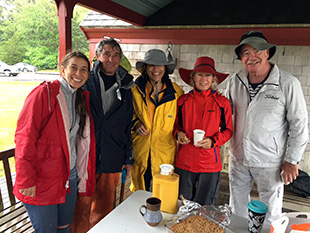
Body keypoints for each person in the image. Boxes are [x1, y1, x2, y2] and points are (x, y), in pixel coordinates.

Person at [225, 31, 308, 225]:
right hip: (239, 158)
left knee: (271, 212)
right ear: (241, 58)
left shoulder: (288, 83)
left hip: (270, 162)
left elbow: (299, 124)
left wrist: (292, 160)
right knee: (237, 209)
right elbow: (223, 115)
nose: (251, 56)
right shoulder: (234, 82)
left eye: (256, 51)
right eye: (245, 52)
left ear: (267, 53)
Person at [13, 51, 96, 233]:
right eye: (73, 67)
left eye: (83, 70)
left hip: (69, 176)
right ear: (63, 69)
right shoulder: (45, 93)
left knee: (64, 228)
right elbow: (24, 137)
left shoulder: (79, 98)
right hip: (43, 179)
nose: (78, 74)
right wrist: (26, 180)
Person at [71, 38, 134, 232]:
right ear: (97, 56)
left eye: (116, 55)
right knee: (81, 207)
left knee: (105, 208)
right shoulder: (85, 81)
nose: (111, 59)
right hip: (86, 155)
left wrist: (128, 157)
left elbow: (127, 124)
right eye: (106, 54)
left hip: (113, 156)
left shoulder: (126, 85)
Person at [174, 56, 233, 205]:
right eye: (199, 74)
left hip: (210, 164)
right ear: (193, 77)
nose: (203, 79)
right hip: (185, 161)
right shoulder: (183, 100)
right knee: (182, 204)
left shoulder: (222, 102)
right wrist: (178, 134)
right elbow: (175, 126)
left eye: (208, 75)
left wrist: (213, 141)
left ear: (213, 78)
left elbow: (228, 130)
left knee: (205, 207)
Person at [130, 49, 184, 192]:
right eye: (151, 65)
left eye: (159, 65)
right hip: (142, 149)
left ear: (165, 68)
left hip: (165, 151)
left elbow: (182, 120)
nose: (155, 69)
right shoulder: (135, 90)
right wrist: (135, 123)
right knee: (140, 190)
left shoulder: (176, 92)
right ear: (145, 68)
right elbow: (127, 115)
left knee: (164, 191)